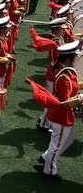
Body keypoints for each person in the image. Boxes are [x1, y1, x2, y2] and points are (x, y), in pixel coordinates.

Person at [35, 40, 82, 180]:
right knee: (57, 144)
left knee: (68, 140)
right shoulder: (63, 77)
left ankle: (46, 157)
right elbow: (65, 102)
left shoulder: (66, 73)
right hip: (61, 116)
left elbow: (73, 86)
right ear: (68, 59)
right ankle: (49, 170)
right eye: (74, 57)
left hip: (64, 115)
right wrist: (80, 98)